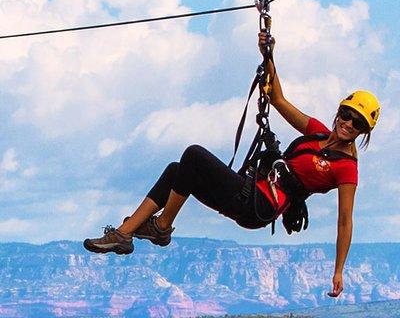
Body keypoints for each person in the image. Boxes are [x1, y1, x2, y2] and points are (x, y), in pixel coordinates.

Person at [83, 31, 380, 298]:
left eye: (357, 123)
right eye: (346, 114)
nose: (348, 123)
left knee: (194, 155)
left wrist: (338, 270)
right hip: (252, 192)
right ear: (339, 111)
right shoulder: (316, 132)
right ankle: (124, 235)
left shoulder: (347, 168)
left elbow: (344, 222)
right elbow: (276, 98)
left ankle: (161, 226)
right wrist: (269, 54)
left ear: (364, 131)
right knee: (178, 170)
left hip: (260, 204)